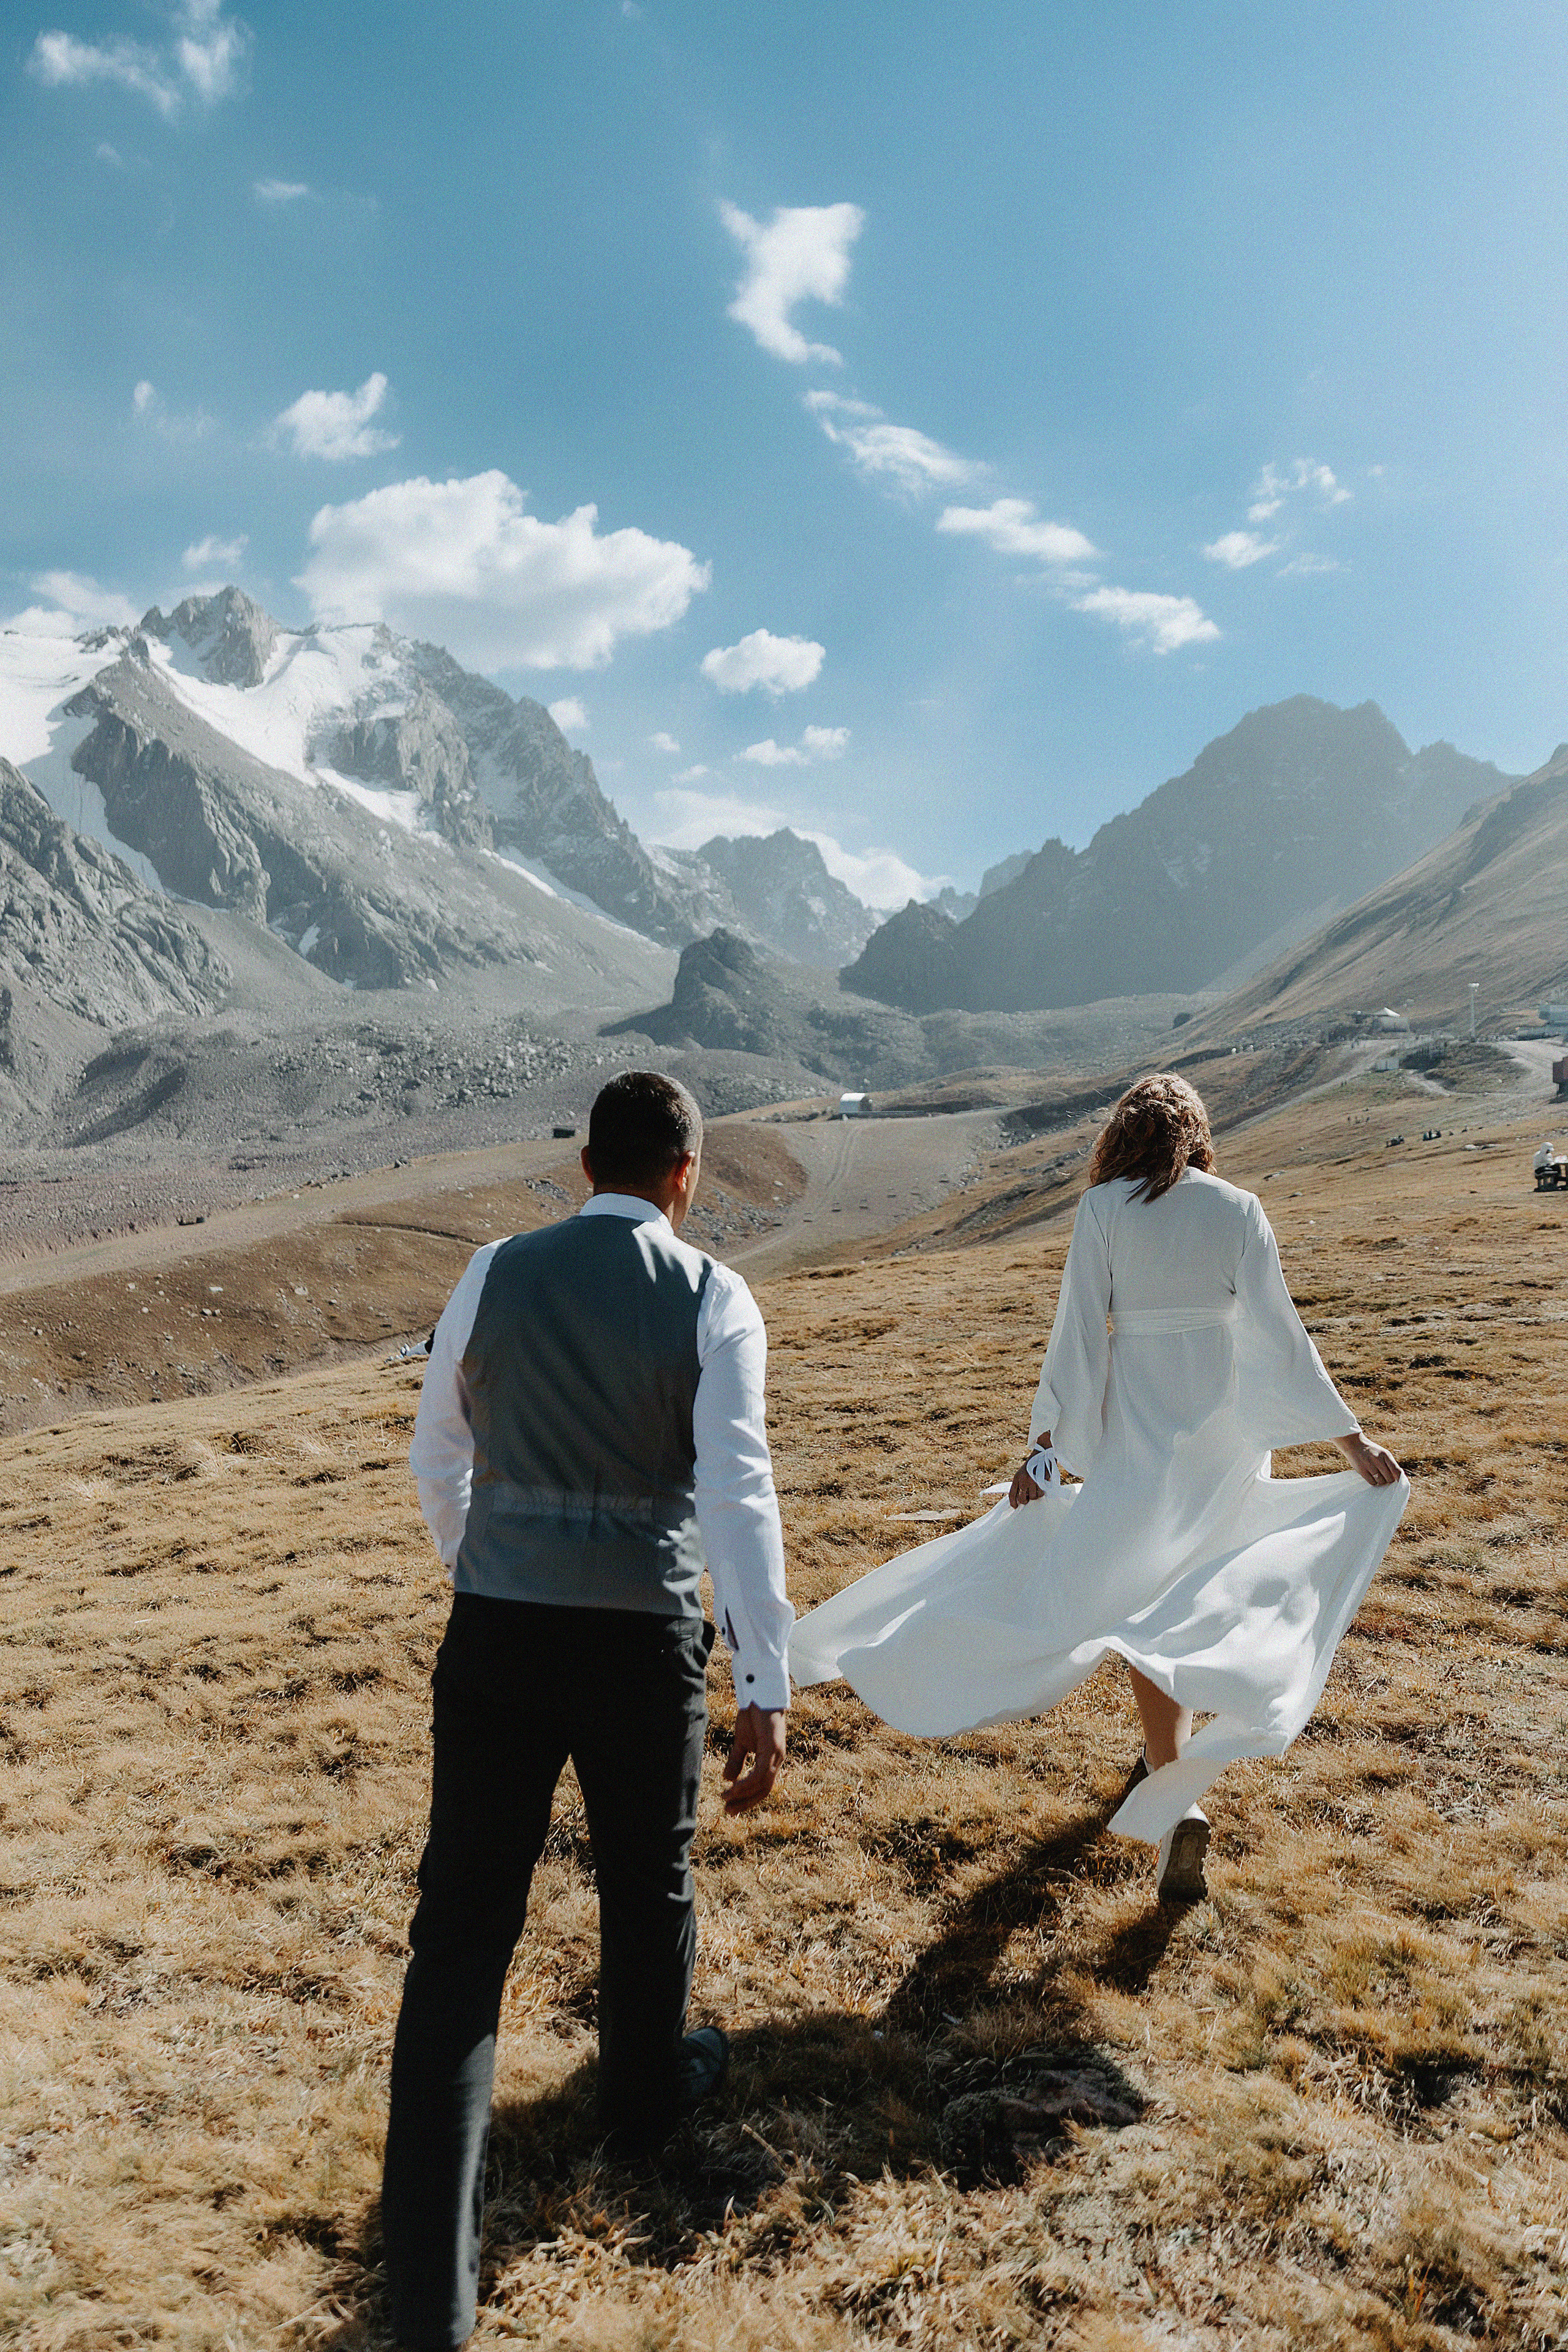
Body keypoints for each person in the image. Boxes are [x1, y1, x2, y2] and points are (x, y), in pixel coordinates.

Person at [383, 1071, 793, 2351]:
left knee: (460, 1933)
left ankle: (428, 2297)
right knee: (645, 1878)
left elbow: (434, 1456)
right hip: (641, 1641)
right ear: (684, 1174)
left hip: (498, 1629)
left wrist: (487, 1566)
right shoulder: (715, 1297)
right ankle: (639, 2097)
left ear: (585, 1168)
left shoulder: (492, 1271)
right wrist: (762, 1683)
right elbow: (737, 1492)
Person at [790, 1072, 1406, 1902]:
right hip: (1223, 1442)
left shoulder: (1104, 1211)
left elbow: (1077, 1335)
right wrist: (1351, 1438)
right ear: (1195, 1134)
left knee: (1140, 1604)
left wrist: (1045, 1451)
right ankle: (1173, 1777)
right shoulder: (1238, 1209)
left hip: (1137, 1440)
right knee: (1188, 1597)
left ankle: (1171, 1788)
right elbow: (1282, 1337)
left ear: (1123, 1136)